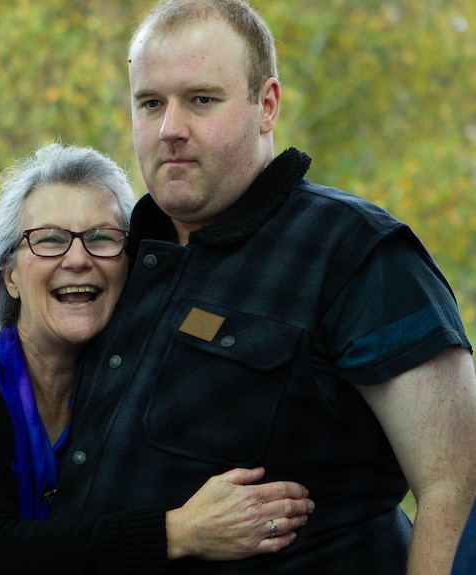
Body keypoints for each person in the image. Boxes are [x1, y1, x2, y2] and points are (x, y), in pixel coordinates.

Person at [52, 2, 476, 574]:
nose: (170, 128)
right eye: (150, 103)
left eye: (201, 100)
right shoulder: (113, 258)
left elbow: (456, 482)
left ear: (267, 105)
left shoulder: (355, 251)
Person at [0, 143, 315, 575]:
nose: (77, 259)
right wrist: (180, 533)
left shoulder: (138, 402)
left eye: (102, 238)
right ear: (10, 275)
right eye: (49, 240)